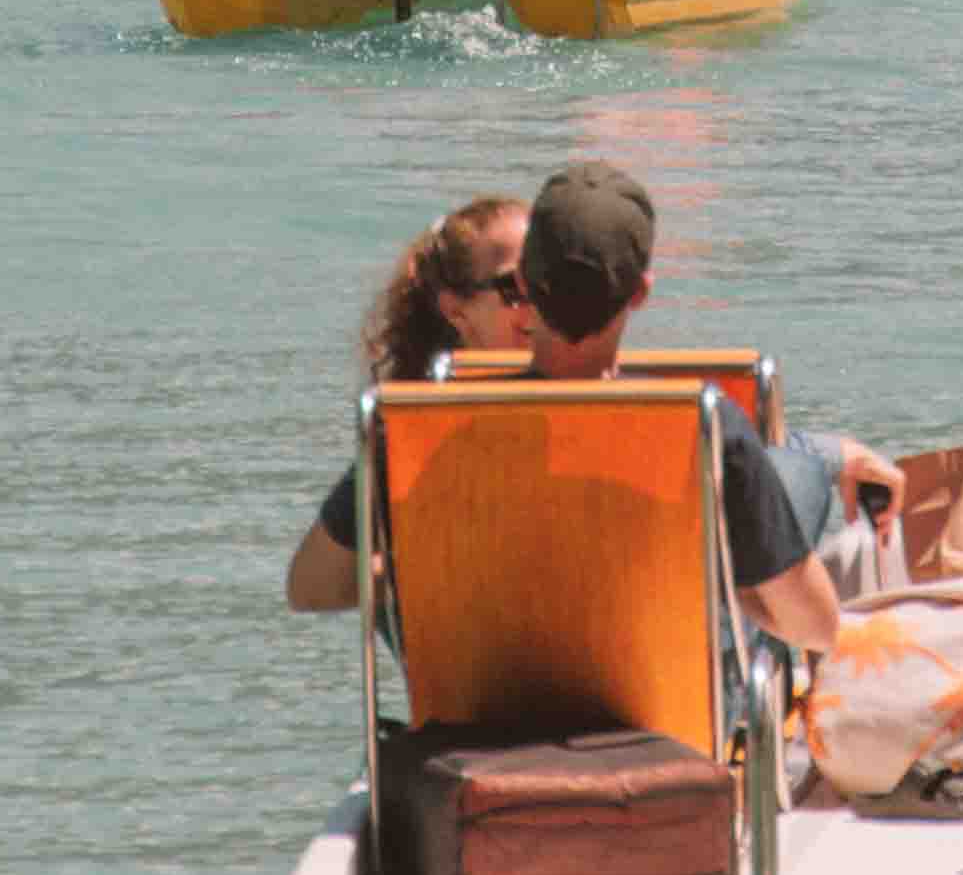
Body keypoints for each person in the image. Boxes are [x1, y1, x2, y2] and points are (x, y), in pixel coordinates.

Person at [285, 158, 900, 647]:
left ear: (528, 282)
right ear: (640, 295)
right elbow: (816, 629)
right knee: (786, 475)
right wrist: (724, 582)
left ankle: (819, 456)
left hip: (479, 721)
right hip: (664, 723)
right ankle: (824, 457)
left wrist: (441, 568)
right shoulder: (701, 424)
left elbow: (309, 587)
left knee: (784, 468)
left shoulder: (409, 435)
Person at [358, 193, 530, 387]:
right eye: (514, 287)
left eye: (552, 280)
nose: (543, 302)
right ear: (456, 310)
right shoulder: (417, 413)